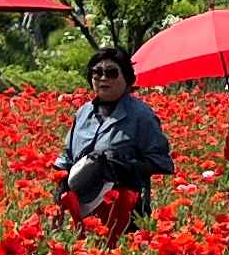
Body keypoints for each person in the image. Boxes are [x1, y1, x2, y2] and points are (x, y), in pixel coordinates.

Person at [57, 48, 176, 233]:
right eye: (97, 72)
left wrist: (124, 166)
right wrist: (62, 181)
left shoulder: (141, 115)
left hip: (123, 208)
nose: (103, 78)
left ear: (127, 78)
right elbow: (67, 156)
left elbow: (162, 162)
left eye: (111, 73)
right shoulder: (83, 113)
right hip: (81, 206)